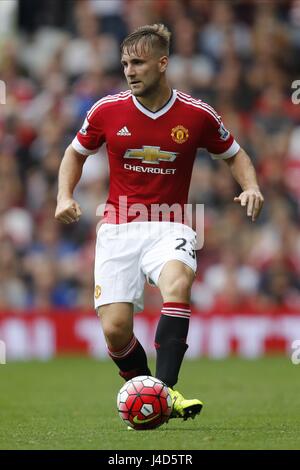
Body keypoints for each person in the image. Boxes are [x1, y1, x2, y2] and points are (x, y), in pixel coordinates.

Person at [55, 24, 264, 423]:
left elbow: (235, 154)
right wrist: (64, 196)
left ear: (162, 63)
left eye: (137, 62)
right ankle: (153, 396)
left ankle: (164, 392)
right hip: (119, 226)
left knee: (178, 284)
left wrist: (250, 186)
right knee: (116, 330)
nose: (129, 71)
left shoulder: (196, 114)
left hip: (171, 224)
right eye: (124, 64)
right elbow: (74, 154)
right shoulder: (106, 110)